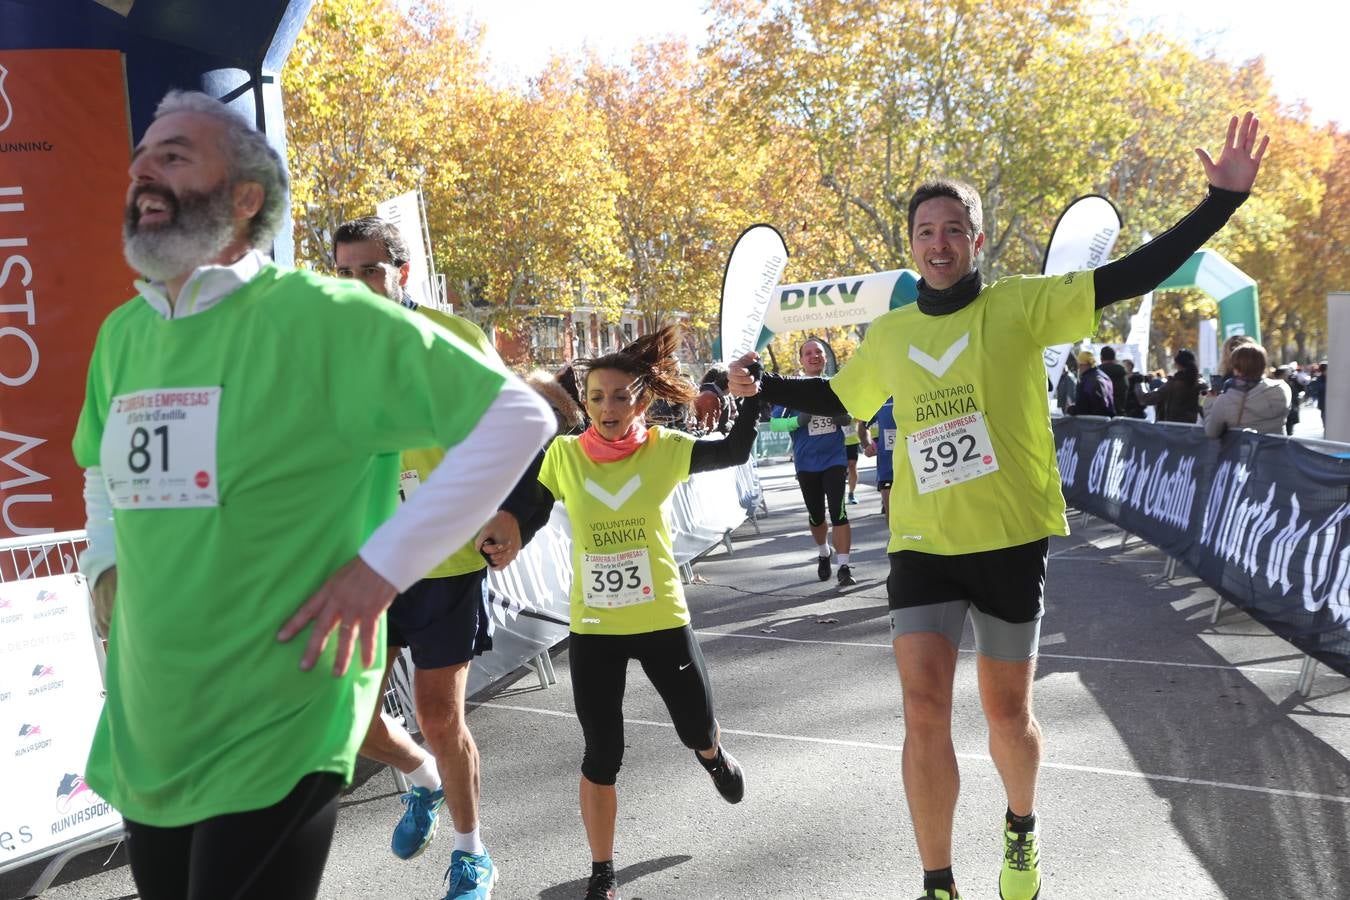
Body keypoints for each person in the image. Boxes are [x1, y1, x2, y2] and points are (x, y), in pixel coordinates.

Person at [728, 112, 1267, 900]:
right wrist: (761, 385)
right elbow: (841, 399)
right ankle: (937, 882)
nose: (939, 244)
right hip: (921, 541)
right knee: (922, 710)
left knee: (1007, 716)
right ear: (910, 246)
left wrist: (1219, 204)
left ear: (976, 242)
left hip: (1010, 539)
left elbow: (1130, 275)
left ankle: (1020, 828)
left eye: (953, 230)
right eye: (925, 231)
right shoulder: (890, 332)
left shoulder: (1021, 306)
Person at [72, 91, 552, 900]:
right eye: (140, 155)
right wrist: (104, 561)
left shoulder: (322, 316)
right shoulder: (124, 333)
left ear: (246, 199)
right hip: (152, 712)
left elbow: (517, 416)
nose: (141, 168)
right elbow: (97, 468)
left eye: (175, 153)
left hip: (279, 704)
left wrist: (381, 568)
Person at [331, 215, 543, 897]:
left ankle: (472, 851)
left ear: (402, 272)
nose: (358, 284)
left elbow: (528, 432)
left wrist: (517, 515)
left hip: (445, 564)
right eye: (344, 272)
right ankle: (421, 780)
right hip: (365, 564)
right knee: (347, 717)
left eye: (370, 269)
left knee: (440, 716)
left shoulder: (454, 337)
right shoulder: (328, 348)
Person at [528, 325, 757, 900]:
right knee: (603, 753)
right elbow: (526, 509)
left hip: (661, 621)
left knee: (695, 728)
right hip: (595, 628)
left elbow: (733, 450)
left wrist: (747, 400)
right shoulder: (562, 457)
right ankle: (601, 869)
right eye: (597, 397)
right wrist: (502, 535)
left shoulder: (665, 450)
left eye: (621, 396)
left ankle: (711, 754)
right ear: (584, 401)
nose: (608, 408)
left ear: (642, 400)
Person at [770, 338, 857, 586]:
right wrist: (798, 421)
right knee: (817, 515)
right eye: (808, 353)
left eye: (818, 351)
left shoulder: (836, 385)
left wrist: (845, 417)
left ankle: (844, 566)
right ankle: (824, 552)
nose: (813, 356)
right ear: (801, 360)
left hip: (834, 459)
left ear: (825, 357)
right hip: (807, 463)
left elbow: (854, 411)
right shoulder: (794, 388)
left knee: (838, 511)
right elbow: (775, 423)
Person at [1204, 343, 1291, 438]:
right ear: (1263, 364)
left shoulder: (1225, 400)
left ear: (1236, 369)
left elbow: (1211, 433)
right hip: (1278, 450)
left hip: (1246, 451)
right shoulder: (1282, 388)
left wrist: (1210, 403)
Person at [1140, 348, 1206, 423]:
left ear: (1177, 365)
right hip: (1193, 430)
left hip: (1173, 430)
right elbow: (1205, 411)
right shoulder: (1201, 385)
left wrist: (1139, 382)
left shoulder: (1172, 385)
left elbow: (1146, 399)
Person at [861, 397, 897, 517]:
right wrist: (866, 445)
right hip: (887, 466)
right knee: (891, 514)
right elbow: (862, 425)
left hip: (915, 465)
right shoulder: (880, 399)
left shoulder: (911, 392)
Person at [1067, 349, 1115, 417]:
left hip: (1092, 423)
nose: (1078, 368)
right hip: (1109, 421)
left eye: (1079, 365)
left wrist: (1071, 409)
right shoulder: (1105, 376)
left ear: (1083, 364)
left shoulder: (1086, 381)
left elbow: (1082, 409)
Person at [1097, 346, 1127, 415]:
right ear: (1114, 357)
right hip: (1120, 415)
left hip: (1100, 417)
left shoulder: (1096, 373)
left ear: (1101, 358)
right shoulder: (1122, 373)